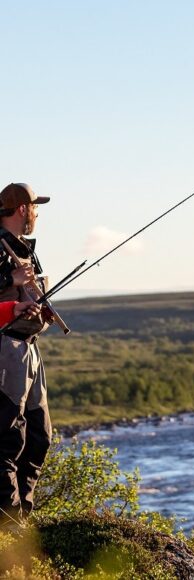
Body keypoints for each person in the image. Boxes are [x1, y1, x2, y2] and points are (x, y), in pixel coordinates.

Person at [0, 183, 53, 527]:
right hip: (5, 349)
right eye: (35, 207)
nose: (36, 214)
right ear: (23, 209)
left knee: (40, 435)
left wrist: (42, 315)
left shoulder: (26, 250)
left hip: (29, 349)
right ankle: (9, 523)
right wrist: (8, 275)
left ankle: (23, 518)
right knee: (8, 438)